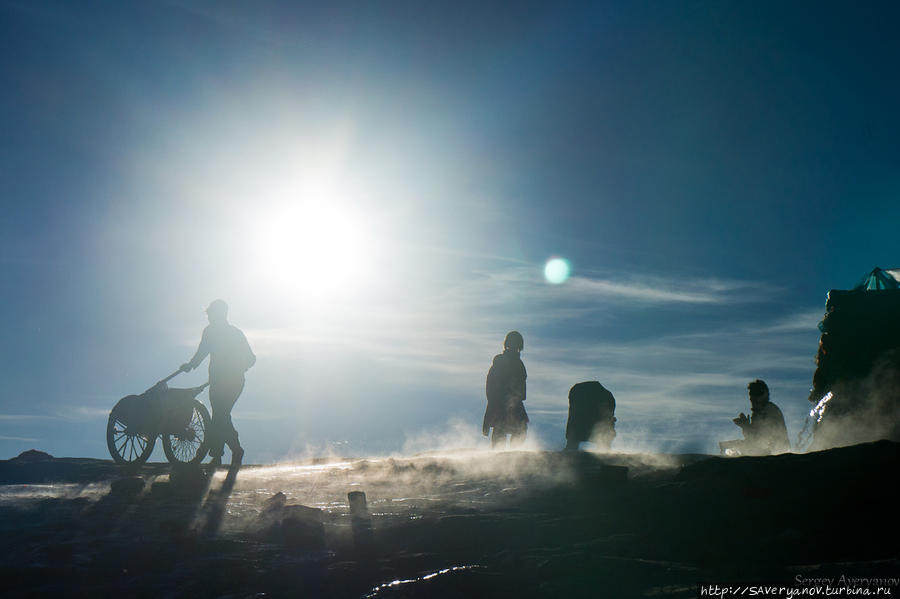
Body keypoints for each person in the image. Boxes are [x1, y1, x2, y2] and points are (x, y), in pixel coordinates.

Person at [181, 300, 256, 469]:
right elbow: (201, 354)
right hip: (216, 382)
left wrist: (239, 367)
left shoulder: (235, 334)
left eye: (211, 314)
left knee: (220, 415)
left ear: (221, 313)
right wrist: (190, 365)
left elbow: (251, 358)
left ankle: (223, 453)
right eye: (208, 315)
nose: (209, 318)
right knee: (220, 416)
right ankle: (224, 454)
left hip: (233, 382)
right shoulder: (210, 332)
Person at [719, 379, 791, 456]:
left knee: (731, 447)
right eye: (752, 394)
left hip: (775, 454)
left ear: (764, 394)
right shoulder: (758, 412)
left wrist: (746, 427)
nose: (754, 398)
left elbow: (760, 438)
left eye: (757, 393)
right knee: (728, 447)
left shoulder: (769, 410)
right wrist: (746, 427)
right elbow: (753, 438)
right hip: (767, 451)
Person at [482, 331, 528, 449]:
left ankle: (513, 455)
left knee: (519, 430)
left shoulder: (518, 363)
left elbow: (521, 384)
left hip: (513, 401)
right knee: (501, 431)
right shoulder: (501, 361)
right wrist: (495, 400)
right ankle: (500, 457)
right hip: (501, 402)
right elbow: (492, 383)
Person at [564, 381, 617, 451]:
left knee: (575, 423)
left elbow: (573, 420)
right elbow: (608, 419)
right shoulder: (607, 396)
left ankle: (571, 447)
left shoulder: (577, 392)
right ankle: (604, 447)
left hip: (581, 398)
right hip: (595, 400)